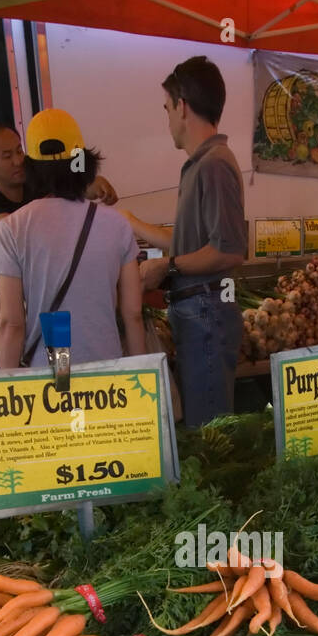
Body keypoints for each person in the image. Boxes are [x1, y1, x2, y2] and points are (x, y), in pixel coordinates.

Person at [120, 57, 246, 427]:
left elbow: (228, 249)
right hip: (197, 312)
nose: (168, 121)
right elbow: (192, 242)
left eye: (167, 108)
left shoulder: (215, 164)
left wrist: (166, 266)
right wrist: (133, 223)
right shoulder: (200, 163)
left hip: (206, 310)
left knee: (209, 434)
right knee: (203, 425)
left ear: (183, 105)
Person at [0, 108, 145, 371]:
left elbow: (11, 324)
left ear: (31, 166)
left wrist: (9, 392)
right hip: (108, 376)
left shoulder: (12, 228)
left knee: (61, 401)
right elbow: (132, 314)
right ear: (84, 162)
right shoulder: (117, 224)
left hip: (50, 373)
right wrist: (142, 375)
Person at [0, 122, 119, 286]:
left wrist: (89, 184)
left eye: (19, 151)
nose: (18, 161)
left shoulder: (36, 184)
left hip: (53, 286)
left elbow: (68, 188)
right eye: (7, 156)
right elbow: (11, 229)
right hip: (10, 294)